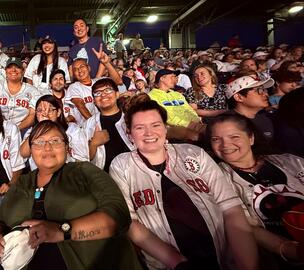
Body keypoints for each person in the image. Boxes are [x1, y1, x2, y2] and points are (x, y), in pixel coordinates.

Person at [110, 99, 258, 270]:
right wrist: (178, 263)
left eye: (155, 125)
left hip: (222, 258)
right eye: (139, 128)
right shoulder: (121, 165)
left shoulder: (194, 153)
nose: (149, 133)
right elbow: (129, 221)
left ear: (165, 128)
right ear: (129, 134)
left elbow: (231, 209)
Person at [0, 120, 143, 270]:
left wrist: (61, 230)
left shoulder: (85, 171)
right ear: (31, 149)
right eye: (39, 142)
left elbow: (118, 214)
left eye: (55, 141)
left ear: (67, 147)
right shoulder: (22, 183)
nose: (47, 147)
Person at [208, 113, 304, 268]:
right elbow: (242, 225)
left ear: (251, 138)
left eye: (234, 137)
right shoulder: (216, 177)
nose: (225, 145)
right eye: (216, 139)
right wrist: (290, 249)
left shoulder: (291, 162)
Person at [20, 95, 88, 170]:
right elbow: (24, 153)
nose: (45, 114)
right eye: (40, 110)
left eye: (49, 110)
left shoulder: (72, 129)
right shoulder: (33, 131)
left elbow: (83, 159)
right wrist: (41, 127)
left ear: (58, 112)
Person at [82, 78, 135, 172]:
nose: (103, 95)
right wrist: (93, 144)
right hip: (104, 178)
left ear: (117, 94)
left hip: (135, 173)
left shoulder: (132, 118)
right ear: (94, 100)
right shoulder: (88, 125)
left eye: (108, 90)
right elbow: (82, 160)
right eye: (97, 93)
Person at [65, 46, 124, 125]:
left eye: (82, 66)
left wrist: (106, 63)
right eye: (75, 69)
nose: (79, 70)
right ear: (74, 74)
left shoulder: (99, 81)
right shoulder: (74, 87)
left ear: (88, 68)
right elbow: (81, 106)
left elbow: (118, 81)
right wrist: (96, 125)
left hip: (109, 122)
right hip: (87, 128)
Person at [0, 57, 41, 130]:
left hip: (23, 131)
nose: (13, 70)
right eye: (10, 67)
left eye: (17, 67)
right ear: (5, 71)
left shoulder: (33, 91)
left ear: (23, 71)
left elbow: (33, 115)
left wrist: (15, 130)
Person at [225, 74, 275, 143]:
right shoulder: (226, 123)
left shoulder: (265, 119)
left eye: (264, 90)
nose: (266, 94)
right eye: (259, 90)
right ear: (238, 97)